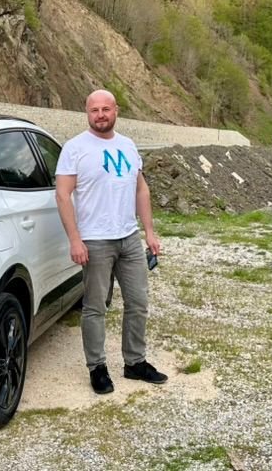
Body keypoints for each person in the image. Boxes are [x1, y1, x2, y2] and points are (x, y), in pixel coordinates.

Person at [55, 89, 168, 394]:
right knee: (95, 307)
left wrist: (149, 231)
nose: (100, 115)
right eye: (94, 110)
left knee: (138, 303)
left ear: (116, 110)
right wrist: (75, 239)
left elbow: (140, 190)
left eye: (106, 109)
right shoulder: (75, 148)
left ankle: (135, 362)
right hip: (95, 241)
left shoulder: (128, 146)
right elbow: (62, 195)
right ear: (87, 113)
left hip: (128, 237)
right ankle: (97, 367)